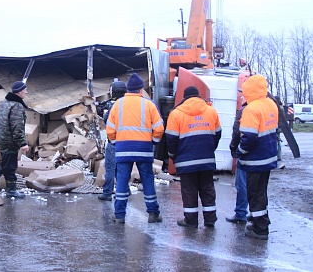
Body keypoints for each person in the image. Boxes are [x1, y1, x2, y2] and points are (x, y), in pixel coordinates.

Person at [106, 73, 164, 223]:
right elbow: (159, 128)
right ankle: (153, 214)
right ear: (140, 89)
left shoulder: (117, 104)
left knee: (122, 181)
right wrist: (153, 142)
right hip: (144, 149)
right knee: (147, 180)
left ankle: (119, 215)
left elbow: (110, 129)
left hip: (123, 149)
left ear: (127, 90)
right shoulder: (149, 104)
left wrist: (114, 143)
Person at [166, 86, 221, 228]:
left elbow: (171, 139)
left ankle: (191, 220)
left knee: (189, 191)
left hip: (186, 161)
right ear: (198, 96)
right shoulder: (211, 111)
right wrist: (209, 149)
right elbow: (217, 134)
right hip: (207, 159)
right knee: (207, 189)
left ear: (184, 97)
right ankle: (210, 219)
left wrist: (173, 155)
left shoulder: (176, 113)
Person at [236, 75, 278, 240]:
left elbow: (249, 137)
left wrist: (240, 151)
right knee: (261, 192)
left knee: (254, 195)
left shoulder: (251, 109)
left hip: (255, 159)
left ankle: (260, 229)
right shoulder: (270, 104)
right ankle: (258, 221)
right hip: (268, 157)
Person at [0, 80, 30, 198]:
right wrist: (22, 143)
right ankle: (11, 190)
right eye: (25, 90)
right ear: (19, 92)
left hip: (0, 138)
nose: (27, 92)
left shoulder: (4, 103)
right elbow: (17, 126)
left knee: (6, 161)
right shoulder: (17, 106)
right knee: (11, 165)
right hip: (9, 140)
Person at [97, 80, 127, 201]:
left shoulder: (112, 106)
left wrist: (104, 114)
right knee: (121, 168)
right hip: (126, 141)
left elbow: (107, 122)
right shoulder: (129, 104)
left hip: (114, 140)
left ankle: (107, 193)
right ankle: (125, 190)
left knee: (110, 167)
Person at [226, 95, 248, 224]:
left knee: (242, 184)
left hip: (246, 155)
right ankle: (258, 215)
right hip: (264, 156)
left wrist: (234, 149)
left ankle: (241, 213)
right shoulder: (268, 107)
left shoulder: (245, 111)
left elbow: (237, 132)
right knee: (258, 187)